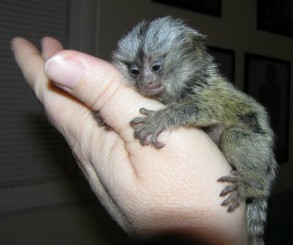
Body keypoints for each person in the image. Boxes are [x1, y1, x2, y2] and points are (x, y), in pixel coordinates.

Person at [11, 37, 247, 244]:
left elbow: (204, 110)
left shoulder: (195, 81)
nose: (146, 78)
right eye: (135, 72)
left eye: (156, 67)